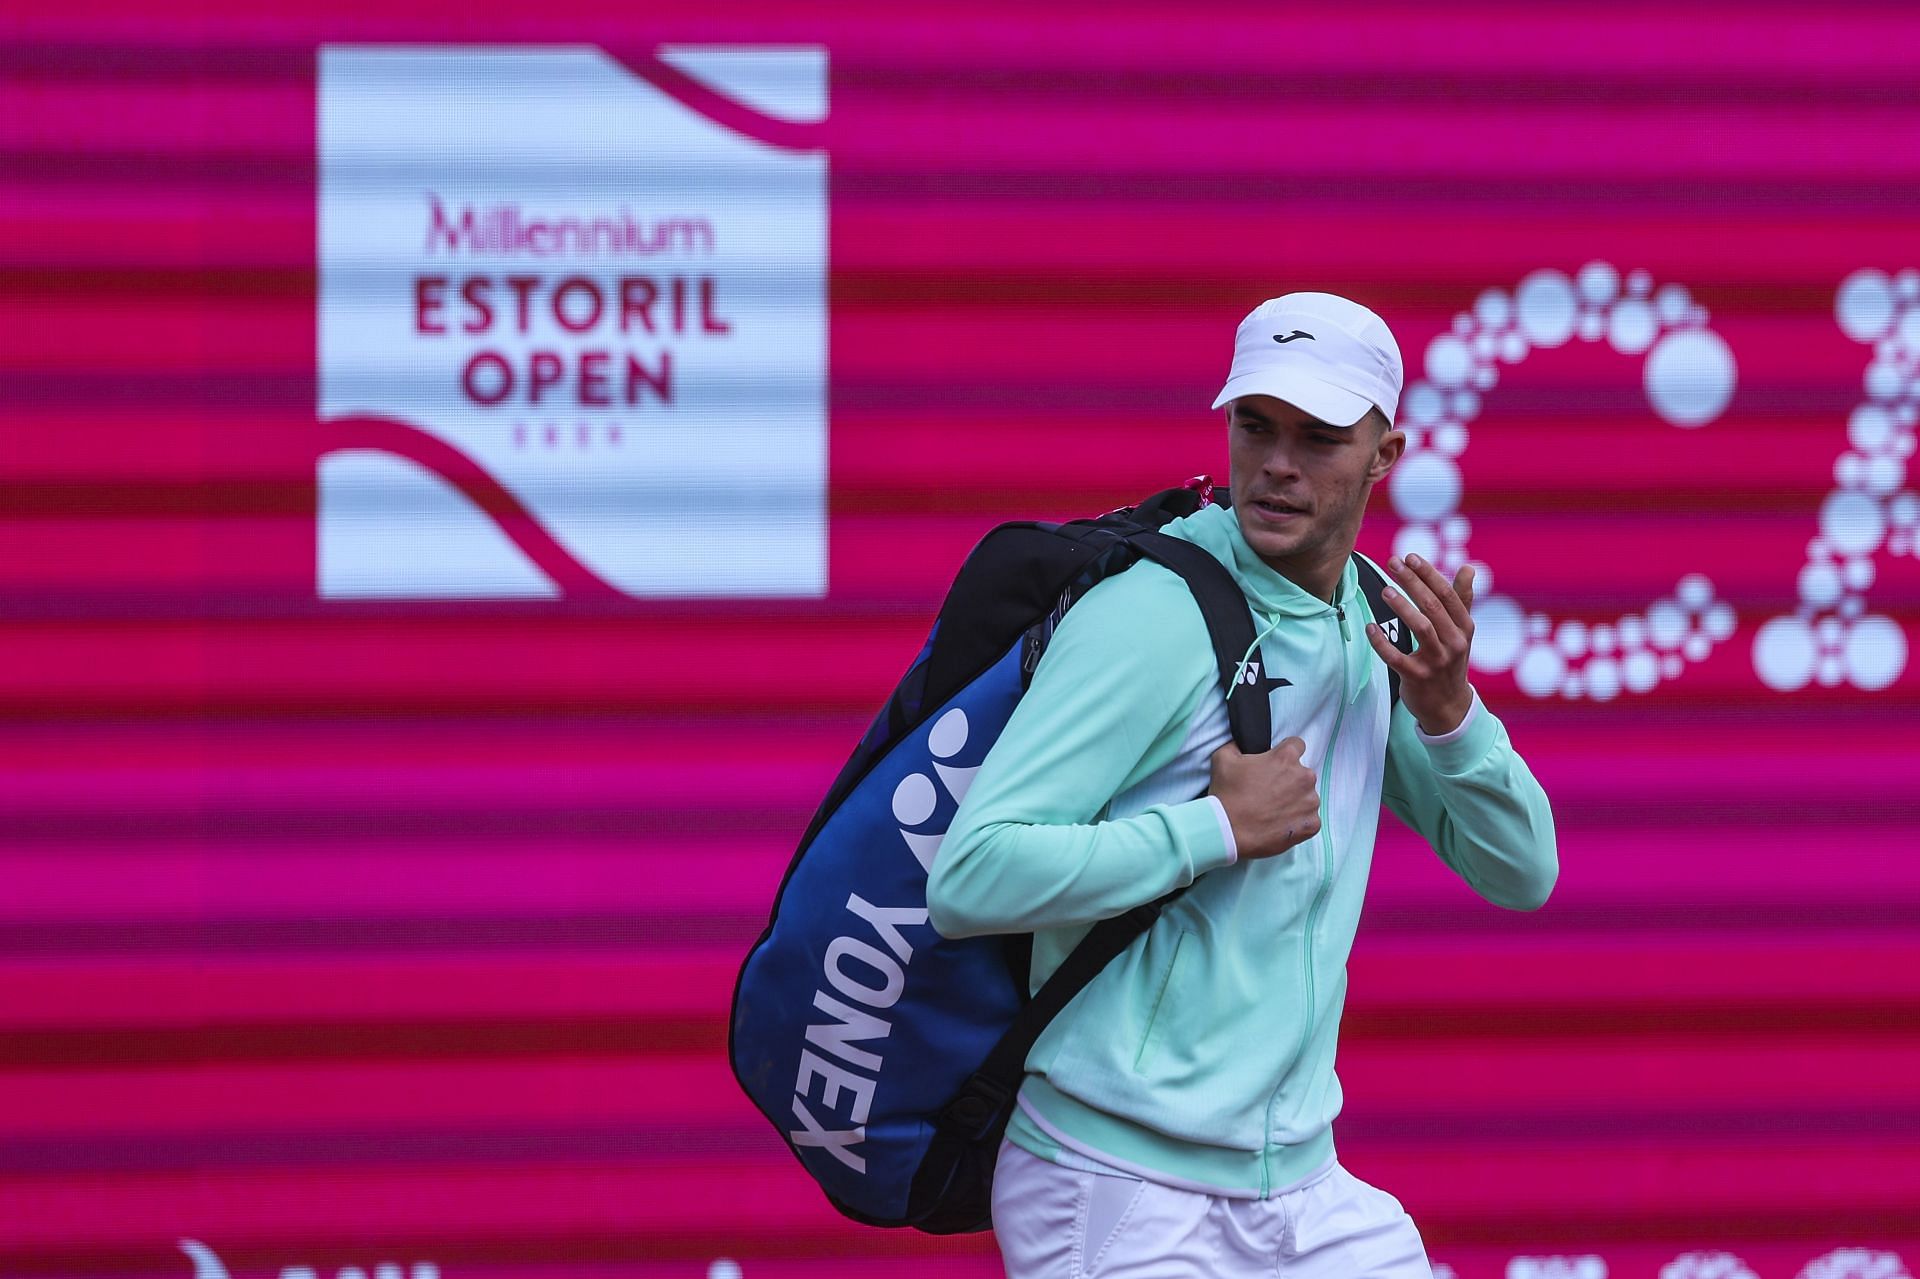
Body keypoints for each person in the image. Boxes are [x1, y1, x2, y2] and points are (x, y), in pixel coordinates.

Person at [925, 292, 1558, 1278]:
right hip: (1113, 1187)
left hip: (1306, 1194)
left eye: (1319, 438)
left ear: (1384, 457)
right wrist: (1214, 828)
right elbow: (970, 876)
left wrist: (1448, 708)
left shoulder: (1376, 622)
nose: (1277, 465)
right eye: (1256, 426)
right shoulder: (1149, 615)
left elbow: (1523, 870)